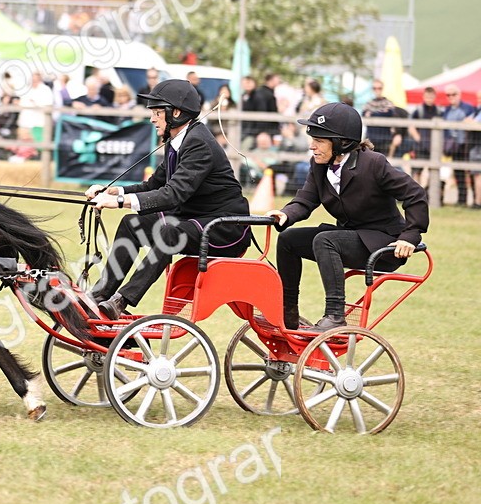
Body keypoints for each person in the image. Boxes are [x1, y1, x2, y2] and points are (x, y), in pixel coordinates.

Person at [86, 79, 251, 319]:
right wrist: (113, 192)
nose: (152, 119)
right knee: (132, 225)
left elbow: (174, 194)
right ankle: (100, 294)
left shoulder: (199, 143)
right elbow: (154, 185)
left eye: (157, 113)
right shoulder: (176, 141)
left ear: (176, 112)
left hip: (224, 227)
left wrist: (122, 203)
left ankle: (122, 300)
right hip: (195, 217)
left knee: (168, 232)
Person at [267, 102, 428, 332]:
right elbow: (306, 199)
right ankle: (287, 311)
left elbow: (415, 194)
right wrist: (285, 213)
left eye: (319, 141)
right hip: (350, 237)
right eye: (312, 139)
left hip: (383, 244)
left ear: (342, 143)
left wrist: (410, 236)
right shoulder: (319, 164)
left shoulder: (374, 163)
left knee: (325, 240)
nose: (312, 147)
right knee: (288, 240)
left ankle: (335, 315)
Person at [442, 85, 475, 206]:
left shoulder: (468, 108)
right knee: (458, 173)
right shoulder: (447, 110)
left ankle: (476, 200)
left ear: (459, 94)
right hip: (453, 146)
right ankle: (462, 200)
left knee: (471, 173)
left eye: (453, 94)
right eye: (448, 95)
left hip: (466, 145)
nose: (451, 97)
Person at [363, 80, 402, 157]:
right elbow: (364, 114)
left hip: (385, 140)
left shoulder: (388, 102)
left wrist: (372, 114)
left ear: (382, 88)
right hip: (371, 139)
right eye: (375, 88)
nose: (377, 90)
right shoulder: (368, 103)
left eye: (379, 88)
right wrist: (382, 113)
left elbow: (389, 113)